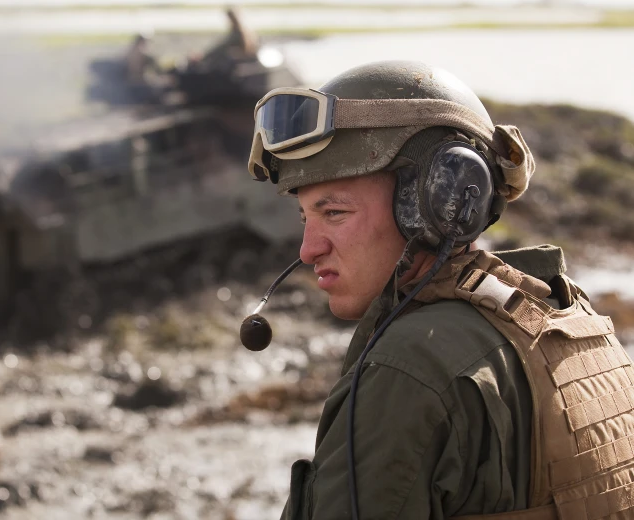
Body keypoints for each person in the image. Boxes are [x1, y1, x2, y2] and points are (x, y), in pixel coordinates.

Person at [246, 60, 634, 519]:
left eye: (335, 214)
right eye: (305, 218)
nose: (309, 249)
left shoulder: (409, 366)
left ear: (441, 202)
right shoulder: (568, 316)